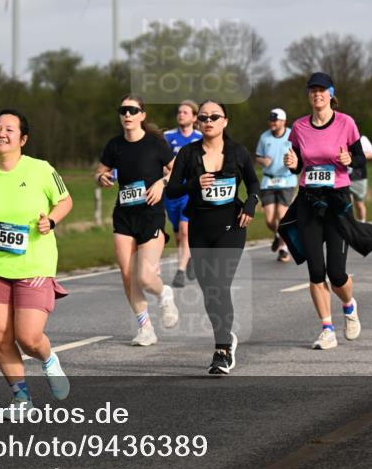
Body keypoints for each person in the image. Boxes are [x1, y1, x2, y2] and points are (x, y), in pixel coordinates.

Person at [0, 110, 73, 412]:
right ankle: (21, 397)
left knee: (28, 337)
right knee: (0, 334)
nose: (1, 133)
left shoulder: (41, 170)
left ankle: (49, 360)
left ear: (22, 139)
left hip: (34, 265)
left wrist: (50, 221)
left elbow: (65, 201)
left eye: (9, 129)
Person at [165, 100, 260, 374]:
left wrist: (251, 204)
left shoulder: (238, 152)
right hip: (200, 227)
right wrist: (194, 184)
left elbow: (253, 182)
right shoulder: (188, 153)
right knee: (209, 291)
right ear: (198, 122)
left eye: (214, 117)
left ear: (225, 121)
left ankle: (222, 351)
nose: (208, 121)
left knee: (220, 285)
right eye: (204, 117)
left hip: (231, 226)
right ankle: (226, 335)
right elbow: (171, 190)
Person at [282, 72, 365, 349]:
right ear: (309, 95)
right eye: (312, 90)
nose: (317, 95)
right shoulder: (299, 126)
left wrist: (349, 159)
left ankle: (349, 305)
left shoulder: (346, 123)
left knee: (337, 273)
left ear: (331, 94)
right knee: (316, 271)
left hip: (337, 200)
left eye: (322, 90)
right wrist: (291, 163)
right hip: (308, 199)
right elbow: (295, 164)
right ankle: (327, 329)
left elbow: (362, 161)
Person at [96, 95, 178, 346]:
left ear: (142, 115)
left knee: (144, 276)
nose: (127, 115)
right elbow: (100, 170)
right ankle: (146, 328)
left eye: (132, 110)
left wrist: (161, 183)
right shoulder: (115, 145)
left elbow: (176, 170)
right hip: (124, 215)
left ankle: (164, 293)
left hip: (150, 214)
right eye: (123, 110)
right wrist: (102, 177)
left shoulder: (155, 144)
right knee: (127, 273)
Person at [163, 100, 203, 287]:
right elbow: (160, 159)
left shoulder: (200, 137)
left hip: (192, 191)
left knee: (186, 231)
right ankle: (189, 257)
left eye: (186, 112)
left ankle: (179, 271)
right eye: (179, 112)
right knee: (179, 234)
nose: (181, 115)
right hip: (171, 192)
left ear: (194, 117)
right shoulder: (168, 137)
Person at [255, 108, 298, 262]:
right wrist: (263, 161)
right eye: (270, 120)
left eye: (275, 120)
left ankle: (283, 248)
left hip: (287, 180)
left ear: (283, 121)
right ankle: (279, 234)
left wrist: (294, 160)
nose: (272, 123)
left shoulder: (292, 135)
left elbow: (301, 154)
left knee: (281, 215)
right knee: (269, 219)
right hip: (268, 180)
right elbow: (258, 156)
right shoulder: (264, 137)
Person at [349, 134, 372, 223]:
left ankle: (362, 223)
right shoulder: (337, 136)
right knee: (346, 203)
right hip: (342, 176)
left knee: (359, 203)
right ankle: (348, 226)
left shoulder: (362, 139)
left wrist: (356, 155)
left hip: (359, 176)